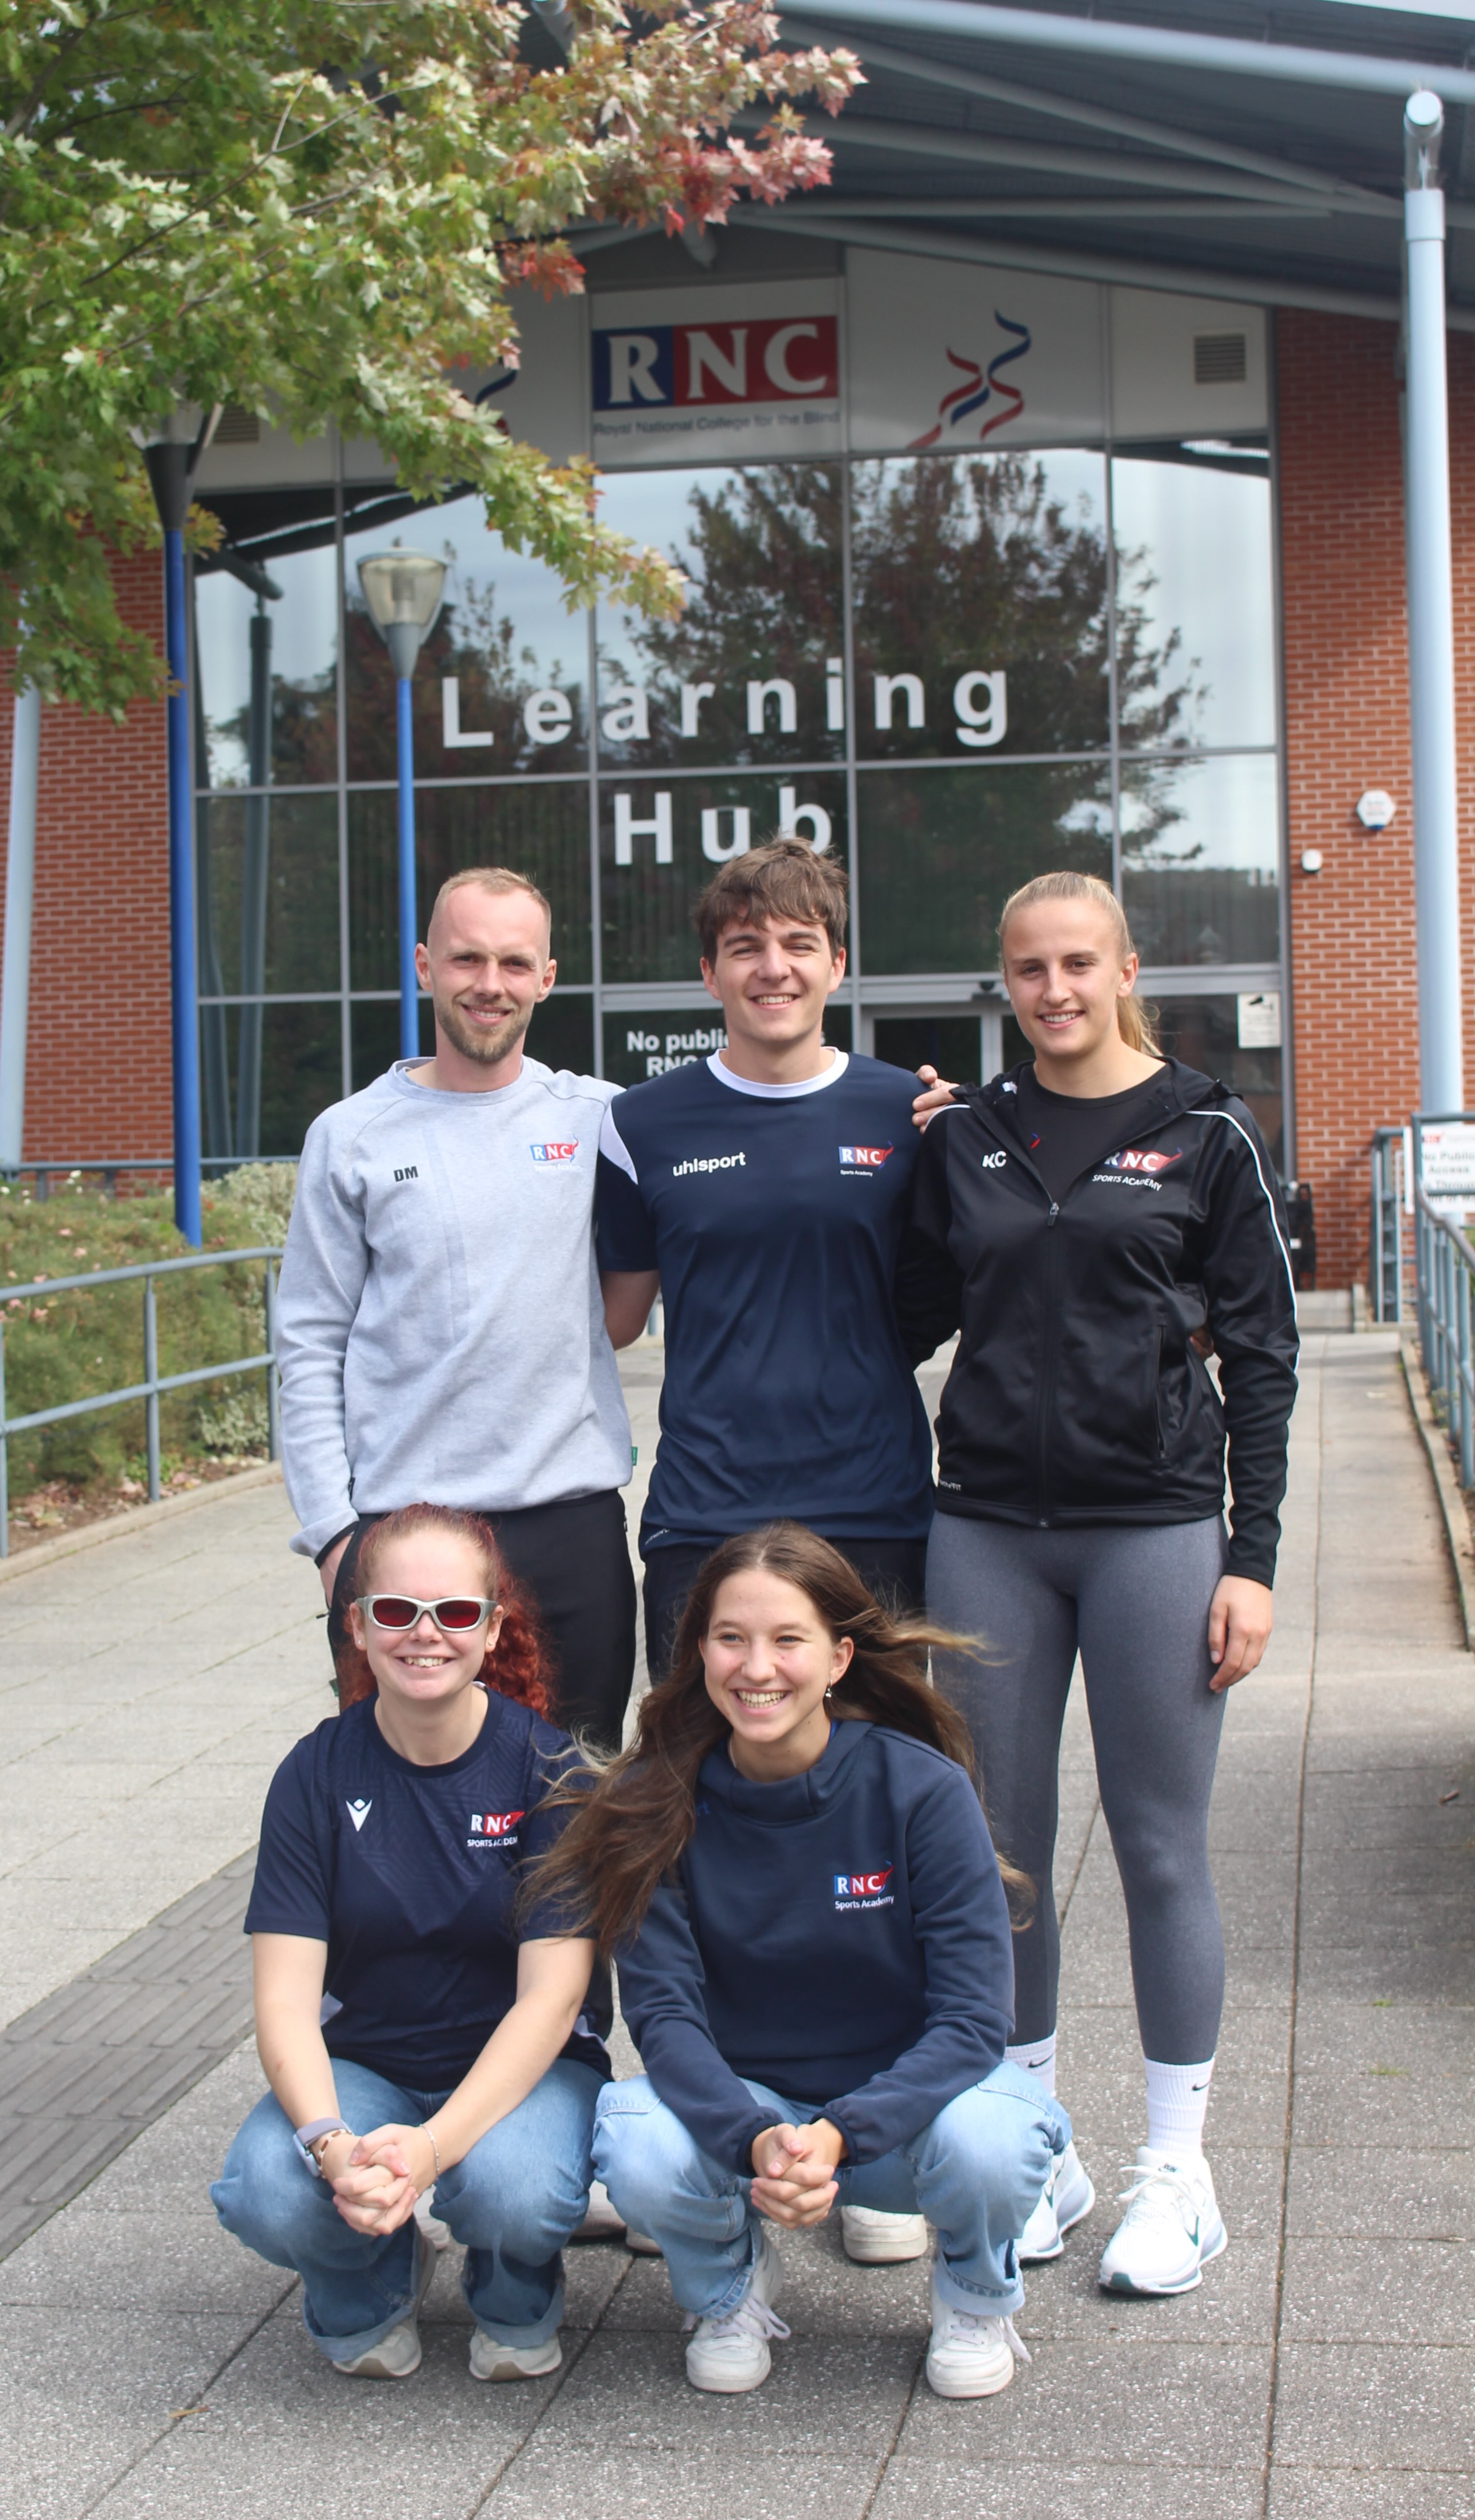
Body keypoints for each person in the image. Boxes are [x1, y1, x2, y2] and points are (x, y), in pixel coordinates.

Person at [898, 869, 1297, 2298]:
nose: (1054, 990)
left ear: (1127, 968)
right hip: (990, 1529)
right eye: (1027, 969)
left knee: (1160, 1846)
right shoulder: (974, 1137)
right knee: (996, 1850)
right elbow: (902, 1315)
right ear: (1001, 983)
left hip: (1156, 1530)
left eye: (1078, 963)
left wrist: (1250, 1563)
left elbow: (1263, 1358)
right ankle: (1035, 2144)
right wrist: (900, 1152)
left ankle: (1178, 2173)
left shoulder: (1205, 1134)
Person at [593, 839, 940, 2268]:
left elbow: (944, 1296)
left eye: (799, 942)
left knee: (887, 1825)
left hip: (871, 1511)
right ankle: (709, 2128)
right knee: (686, 1818)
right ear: (711, 972)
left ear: (835, 963)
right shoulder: (647, 1123)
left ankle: (877, 2155)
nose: (773, 967)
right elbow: (609, 1320)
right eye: (747, 946)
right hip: (703, 1517)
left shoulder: (908, 1114)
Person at [530, 1523, 1066, 2401]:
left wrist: (842, 2133)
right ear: (699, 1650)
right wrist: (759, 2138)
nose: (757, 1667)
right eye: (731, 1638)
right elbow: (663, 2020)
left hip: (907, 2114)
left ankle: (975, 2295)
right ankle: (727, 2289)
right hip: (759, 2124)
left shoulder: (920, 1789)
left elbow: (975, 2023)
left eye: (788, 1641)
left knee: (997, 2139)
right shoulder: (657, 1803)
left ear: (840, 1658)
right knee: (634, 2137)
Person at [211, 1502, 608, 2381]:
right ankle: (370, 2283)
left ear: (494, 1625)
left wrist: (433, 2147)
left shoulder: (550, 1772)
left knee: (515, 2190)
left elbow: (554, 1998)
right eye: (396, 1611)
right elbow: (283, 2001)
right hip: (371, 2063)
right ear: (355, 1624)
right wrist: (332, 2145)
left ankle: (516, 2288)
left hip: (525, 2067)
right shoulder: (315, 1772)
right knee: (269, 2192)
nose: (425, 1634)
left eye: (456, 1612)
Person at [275, 865, 637, 1752]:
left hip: (571, 1530)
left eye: (515, 963)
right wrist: (335, 1542)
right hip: (406, 1541)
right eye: (467, 958)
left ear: (547, 979)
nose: (490, 984)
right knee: (410, 1818)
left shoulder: (602, 1119)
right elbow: (307, 1345)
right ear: (424, 965)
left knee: (581, 1811)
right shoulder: (350, 1136)